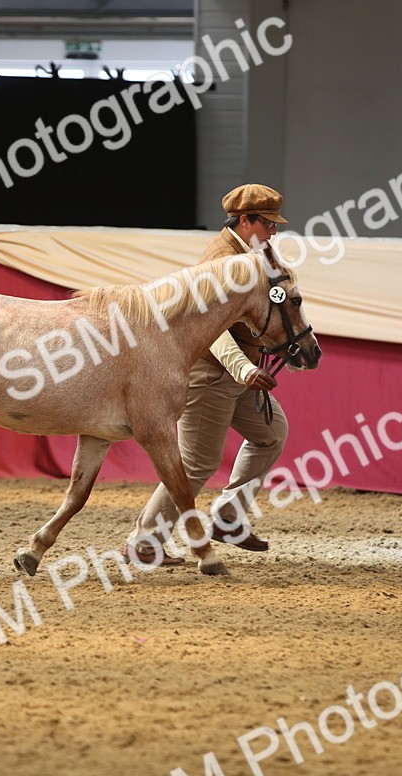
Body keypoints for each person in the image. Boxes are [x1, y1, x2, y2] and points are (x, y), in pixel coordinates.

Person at [123, 183, 291, 566]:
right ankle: (144, 542)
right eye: (268, 224)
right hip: (213, 374)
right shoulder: (221, 260)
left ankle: (228, 518)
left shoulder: (253, 254)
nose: (274, 232)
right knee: (196, 461)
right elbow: (209, 331)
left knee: (271, 433)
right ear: (246, 221)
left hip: (239, 374)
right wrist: (245, 368)